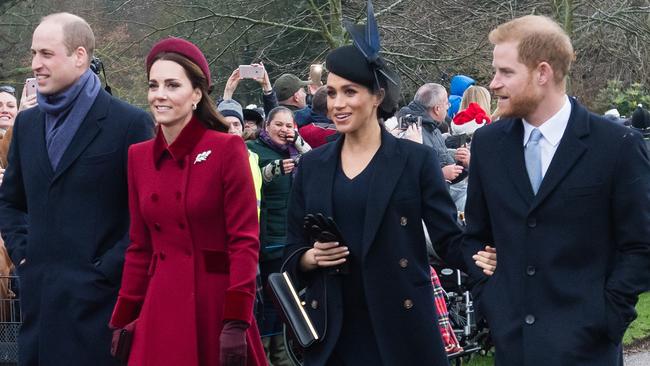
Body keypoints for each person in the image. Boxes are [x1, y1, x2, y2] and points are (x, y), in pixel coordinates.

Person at [281, 2, 489, 364]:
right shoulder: (312, 166)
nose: (337, 104)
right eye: (331, 93)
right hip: (334, 331)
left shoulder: (415, 161)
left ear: (377, 97)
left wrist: (488, 255)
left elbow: (448, 240)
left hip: (402, 329)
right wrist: (311, 258)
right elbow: (290, 255)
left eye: (350, 92)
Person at [463, 15, 650, 366]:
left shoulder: (616, 145)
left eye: (505, 72)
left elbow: (640, 245)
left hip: (588, 349)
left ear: (542, 73)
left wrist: (608, 315)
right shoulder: (488, 144)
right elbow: (474, 235)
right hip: (512, 345)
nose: (494, 83)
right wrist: (489, 294)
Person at [0, 13, 153, 365]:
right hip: (39, 311)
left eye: (46, 54)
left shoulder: (128, 124)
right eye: (33, 53)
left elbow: (143, 216)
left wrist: (102, 272)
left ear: (79, 56)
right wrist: (26, 256)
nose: (35, 64)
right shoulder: (26, 123)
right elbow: (10, 202)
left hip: (100, 314)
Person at [109, 37, 267, 366]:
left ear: (196, 94)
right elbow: (140, 247)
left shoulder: (227, 149)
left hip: (214, 304)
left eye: (172, 85)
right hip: (160, 305)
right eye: (153, 85)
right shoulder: (138, 157)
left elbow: (244, 241)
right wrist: (123, 317)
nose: (159, 95)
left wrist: (236, 319)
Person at [247, 106, 310, 365]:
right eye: (279, 125)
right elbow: (250, 179)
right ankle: (266, 353)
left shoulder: (295, 152)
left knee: (287, 298)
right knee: (270, 299)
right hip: (268, 238)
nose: (284, 130)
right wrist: (271, 171)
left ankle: (283, 352)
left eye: (289, 126)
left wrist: (297, 140)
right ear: (266, 126)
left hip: (292, 236)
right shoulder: (254, 150)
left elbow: (317, 159)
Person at [397, 83, 470, 211]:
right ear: (437, 109)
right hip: (420, 211)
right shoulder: (408, 131)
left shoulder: (434, 130)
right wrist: (440, 175)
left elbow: (448, 170)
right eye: (447, 103)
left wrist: (463, 164)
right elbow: (403, 177)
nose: (449, 106)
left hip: (438, 203)